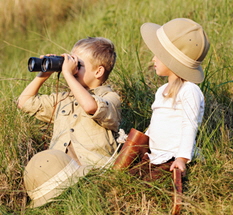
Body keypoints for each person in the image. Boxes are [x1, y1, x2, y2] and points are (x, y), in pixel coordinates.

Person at [18, 37, 121, 168]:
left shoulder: (111, 97)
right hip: (60, 170)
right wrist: (43, 75)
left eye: (78, 65)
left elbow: (90, 106)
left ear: (98, 71)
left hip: (93, 170)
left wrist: (67, 73)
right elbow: (24, 102)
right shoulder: (64, 99)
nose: (72, 69)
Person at [128, 18, 210, 181]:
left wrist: (181, 158)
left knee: (152, 184)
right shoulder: (161, 91)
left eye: (158, 55)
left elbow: (189, 125)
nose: (153, 59)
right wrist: (140, 142)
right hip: (154, 155)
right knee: (129, 178)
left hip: (172, 156)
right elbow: (157, 121)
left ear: (172, 60)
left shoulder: (189, 90)